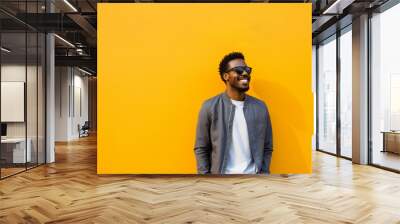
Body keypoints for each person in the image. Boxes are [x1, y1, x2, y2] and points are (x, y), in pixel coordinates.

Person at [194, 52, 273, 174]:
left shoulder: (260, 107)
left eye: (247, 69)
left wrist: (263, 172)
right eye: (239, 70)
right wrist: (206, 179)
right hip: (221, 180)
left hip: (254, 179)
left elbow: (267, 146)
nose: (245, 73)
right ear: (226, 76)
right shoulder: (210, 107)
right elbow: (201, 148)